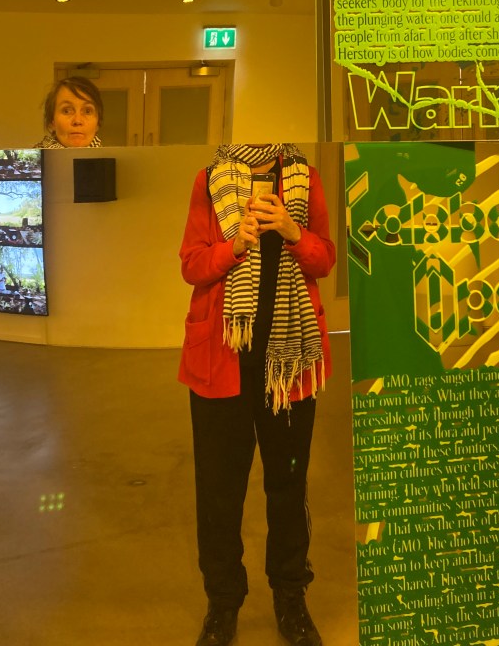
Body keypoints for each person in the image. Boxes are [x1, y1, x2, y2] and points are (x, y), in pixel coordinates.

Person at [179, 143, 335, 646]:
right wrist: (235, 245)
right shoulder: (209, 180)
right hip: (220, 359)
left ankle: (291, 597)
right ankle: (223, 604)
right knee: (218, 492)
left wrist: (292, 231)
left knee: (288, 485)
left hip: (289, 365)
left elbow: (325, 260)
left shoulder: (305, 177)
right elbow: (191, 265)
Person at [35, 77, 103, 148]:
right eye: (66, 111)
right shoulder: (33, 154)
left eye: (87, 111)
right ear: (52, 122)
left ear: (97, 123)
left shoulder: (107, 154)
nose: (77, 121)